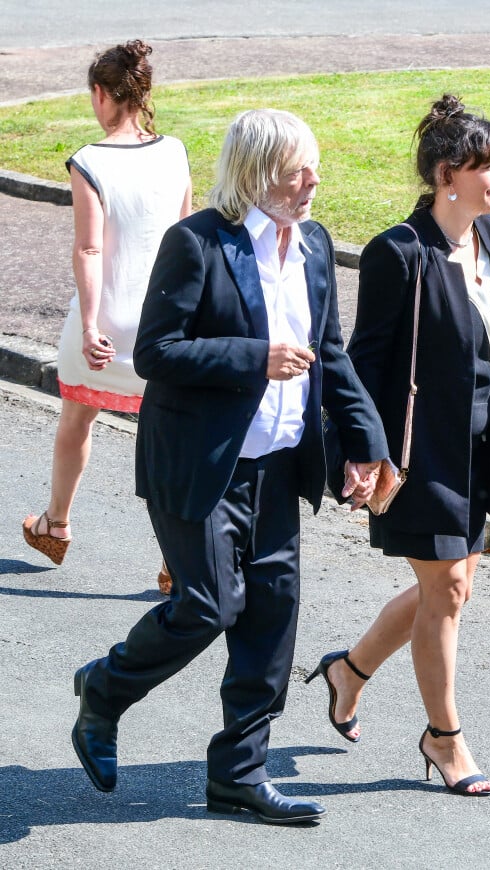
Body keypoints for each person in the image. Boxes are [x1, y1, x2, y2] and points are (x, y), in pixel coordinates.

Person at [70, 108, 387, 824]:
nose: (312, 181)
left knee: (271, 619)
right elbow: (156, 352)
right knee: (210, 603)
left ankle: (239, 774)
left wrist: (366, 444)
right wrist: (256, 358)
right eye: (295, 170)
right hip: (199, 464)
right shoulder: (199, 243)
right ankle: (105, 689)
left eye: (314, 166)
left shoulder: (312, 246)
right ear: (254, 173)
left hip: (279, 465)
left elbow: (330, 354)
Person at [307, 94, 490, 796]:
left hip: (476, 443)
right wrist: (362, 450)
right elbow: (363, 359)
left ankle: (349, 670)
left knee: (449, 591)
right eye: (488, 166)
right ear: (445, 174)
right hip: (416, 448)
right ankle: (445, 738)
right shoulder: (398, 252)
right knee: (449, 587)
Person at [22, 40, 192, 594]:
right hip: (163, 323)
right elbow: (187, 238)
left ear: (101, 94)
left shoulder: (90, 161)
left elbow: (90, 250)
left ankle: (56, 522)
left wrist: (92, 324)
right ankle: (176, 558)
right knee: (166, 436)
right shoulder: (176, 152)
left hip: (108, 319)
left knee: (77, 419)